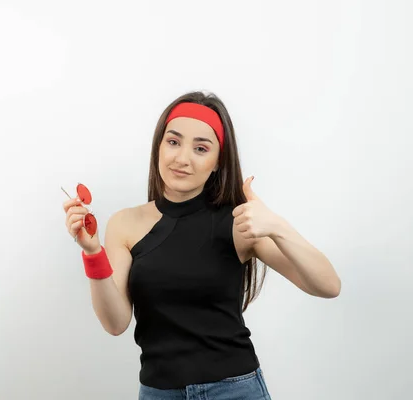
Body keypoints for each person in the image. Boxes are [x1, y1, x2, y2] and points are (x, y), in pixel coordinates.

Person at [62, 91, 341, 400]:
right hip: (158, 393)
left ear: (217, 161)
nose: (182, 158)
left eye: (200, 148)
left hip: (234, 391)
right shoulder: (125, 224)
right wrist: (92, 252)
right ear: (159, 146)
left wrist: (276, 226)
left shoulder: (239, 222)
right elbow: (115, 323)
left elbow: (328, 285)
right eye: (173, 142)